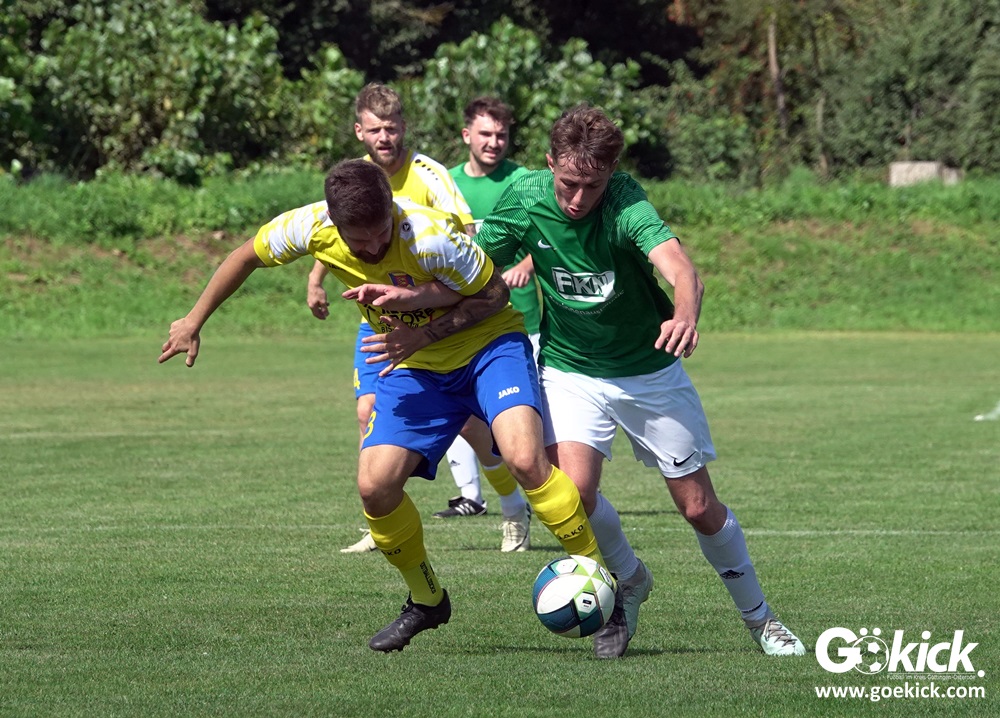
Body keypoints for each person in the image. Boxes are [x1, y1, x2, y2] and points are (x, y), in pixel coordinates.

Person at [159, 158, 607, 653]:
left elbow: (496, 294)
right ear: (334, 224)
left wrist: (419, 315)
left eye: (381, 234)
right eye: (360, 242)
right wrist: (194, 320)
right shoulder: (308, 227)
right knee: (375, 487)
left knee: (524, 459)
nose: (373, 248)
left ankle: (602, 585)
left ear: (392, 209)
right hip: (416, 364)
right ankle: (427, 600)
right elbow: (244, 256)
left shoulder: (430, 234)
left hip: (488, 348)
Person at [471, 105, 807, 659]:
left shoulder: (626, 202)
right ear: (550, 162)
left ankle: (761, 619)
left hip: (648, 371)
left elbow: (680, 269)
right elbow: (474, 268)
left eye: (593, 185)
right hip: (570, 368)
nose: (578, 198)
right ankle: (629, 580)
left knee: (697, 507)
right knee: (572, 494)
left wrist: (685, 314)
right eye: (569, 183)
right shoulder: (524, 198)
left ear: (611, 173)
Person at [302, 83, 525, 552]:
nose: (384, 137)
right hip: (378, 314)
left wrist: (427, 294)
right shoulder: (355, 179)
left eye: (392, 128)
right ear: (359, 131)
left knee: (470, 425)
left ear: (403, 127)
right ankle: (380, 517)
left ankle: (511, 505)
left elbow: (464, 237)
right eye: (375, 130)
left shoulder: (429, 174)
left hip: (434, 311)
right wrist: (316, 279)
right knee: (366, 409)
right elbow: (335, 234)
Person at [447, 96, 539, 552]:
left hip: (519, 324)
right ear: (467, 135)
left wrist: (525, 264)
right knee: (467, 420)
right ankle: (500, 503)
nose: (494, 142)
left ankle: (556, 501)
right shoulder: (445, 183)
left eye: (502, 135)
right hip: (463, 321)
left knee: (527, 431)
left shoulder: (524, 181)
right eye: (485, 133)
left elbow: (552, 235)